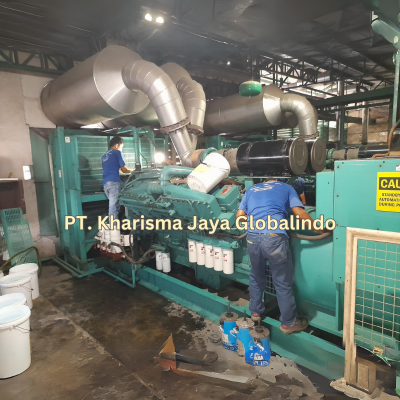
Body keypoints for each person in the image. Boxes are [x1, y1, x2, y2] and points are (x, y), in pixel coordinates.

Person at [236, 179, 324, 334]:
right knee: (282, 281)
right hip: (274, 237)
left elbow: (240, 216)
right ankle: (288, 323)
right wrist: (320, 230)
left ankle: (255, 312)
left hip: (252, 237)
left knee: (256, 276)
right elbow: (300, 213)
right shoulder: (286, 187)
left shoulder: (252, 189)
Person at [102, 137, 133, 225]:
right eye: (121, 147)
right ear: (116, 145)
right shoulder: (117, 152)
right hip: (114, 182)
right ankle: (113, 228)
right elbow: (124, 169)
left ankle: (116, 226)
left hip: (106, 183)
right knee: (113, 207)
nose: (121, 149)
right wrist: (133, 171)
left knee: (116, 206)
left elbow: (112, 169)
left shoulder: (104, 155)